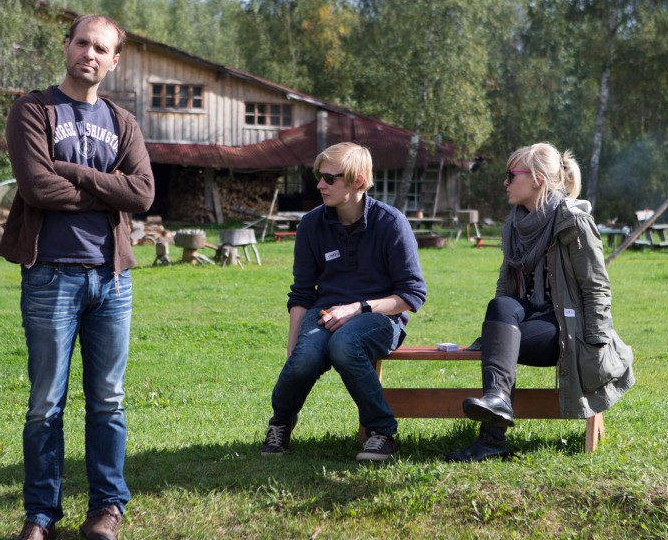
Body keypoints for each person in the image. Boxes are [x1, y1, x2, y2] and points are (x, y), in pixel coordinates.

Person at [0, 14, 155, 540]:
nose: (90, 53)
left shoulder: (123, 122)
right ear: (67, 47)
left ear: (113, 62)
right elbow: (37, 187)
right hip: (50, 277)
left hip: (112, 281)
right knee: (45, 403)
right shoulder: (33, 110)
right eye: (82, 42)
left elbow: (142, 193)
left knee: (108, 400)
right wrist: (106, 188)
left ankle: (107, 508)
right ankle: (40, 518)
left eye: (101, 48)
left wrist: (82, 175)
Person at [446, 143, 633, 462]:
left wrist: (597, 338)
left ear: (536, 179)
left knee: (504, 323)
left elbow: (596, 285)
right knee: (499, 307)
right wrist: (493, 332)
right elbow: (506, 286)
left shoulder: (573, 222)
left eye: (510, 175)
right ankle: (496, 406)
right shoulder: (515, 224)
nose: (505, 183)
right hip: (528, 319)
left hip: (565, 327)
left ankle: (492, 437)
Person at [261, 142, 427, 462]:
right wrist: (294, 348)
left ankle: (382, 434)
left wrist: (359, 307)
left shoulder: (391, 223)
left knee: (345, 344)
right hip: (324, 312)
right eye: (319, 177)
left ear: (358, 182)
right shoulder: (311, 224)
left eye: (330, 179)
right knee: (306, 355)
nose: (320, 185)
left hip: (381, 317)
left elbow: (411, 294)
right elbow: (301, 293)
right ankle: (281, 422)